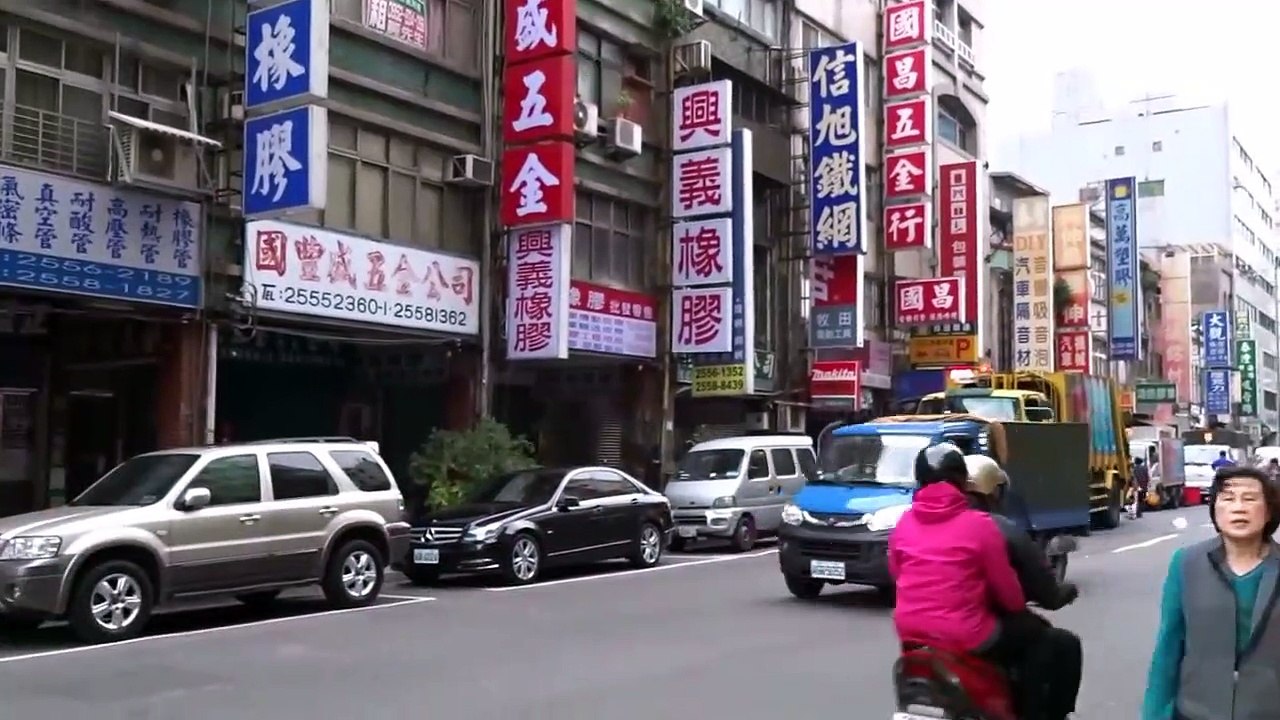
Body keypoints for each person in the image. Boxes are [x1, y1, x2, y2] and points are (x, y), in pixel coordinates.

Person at [887, 444, 1028, 700]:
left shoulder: (903, 523)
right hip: (966, 635)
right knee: (1034, 638)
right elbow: (1010, 596)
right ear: (963, 481)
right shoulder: (981, 526)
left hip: (910, 633)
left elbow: (897, 573)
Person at [1142, 466, 1280, 720]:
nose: (1239, 507)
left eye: (1249, 499)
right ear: (1215, 509)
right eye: (1228, 498)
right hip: (1197, 711)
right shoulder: (1186, 563)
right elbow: (1168, 646)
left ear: (1269, 510)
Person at [963, 454, 1082, 720]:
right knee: (1058, 644)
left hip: (921, 628)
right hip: (973, 625)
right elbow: (1028, 590)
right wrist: (1057, 593)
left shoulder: (922, 522)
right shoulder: (996, 529)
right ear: (993, 491)